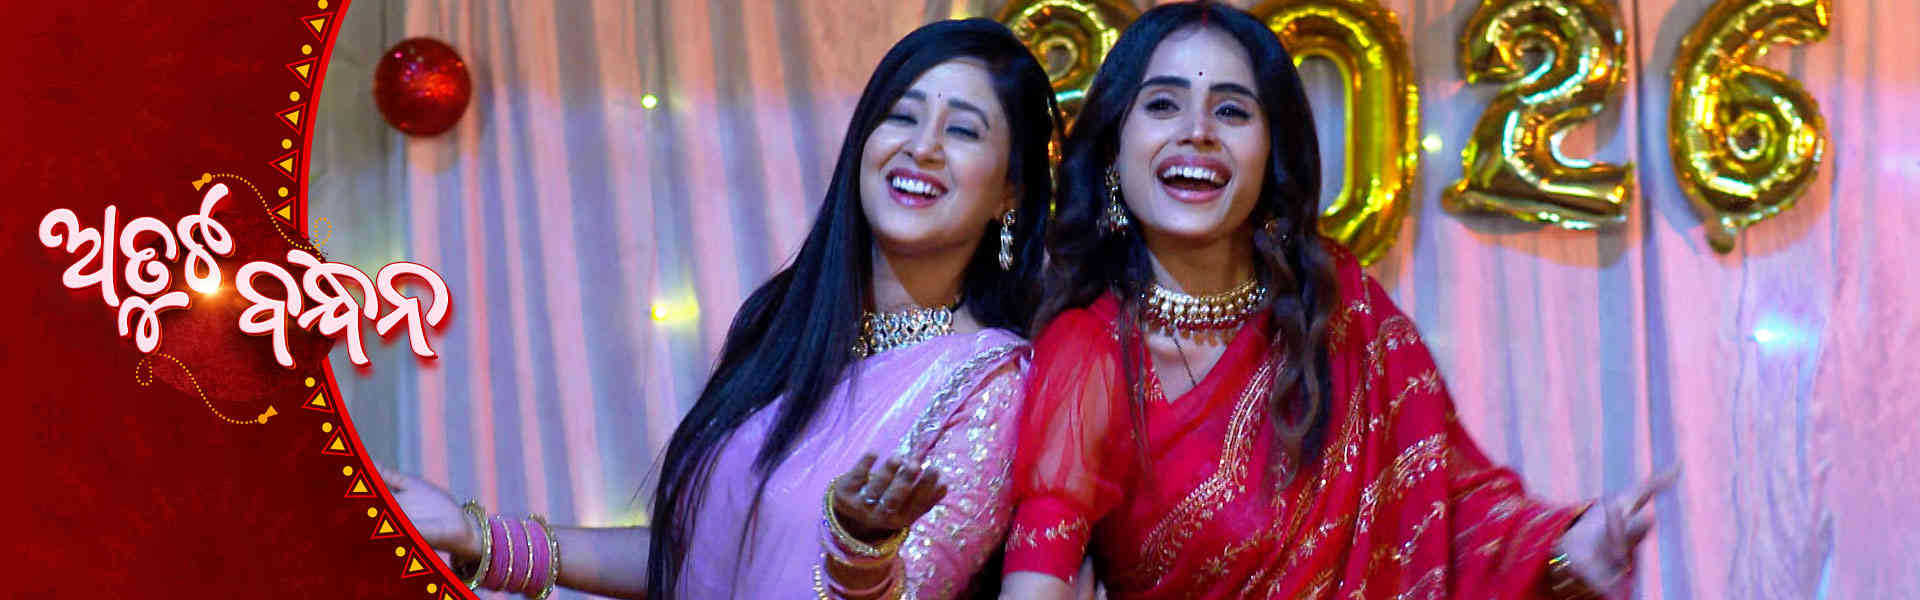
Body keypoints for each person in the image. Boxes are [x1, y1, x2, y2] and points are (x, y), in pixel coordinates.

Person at [996, 3, 1676, 599]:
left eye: (1232, 110)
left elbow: (1447, 512)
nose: (1198, 131)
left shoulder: (1342, 312)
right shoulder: (1086, 351)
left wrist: (1565, 553)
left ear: (1271, 153)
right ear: (1113, 150)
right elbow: (1039, 570)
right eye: (1163, 105)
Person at [382, 18, 1062, 599]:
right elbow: (687, 559)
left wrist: (863, 550)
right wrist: (476, 536)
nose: (923, 146)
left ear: (1010, 192)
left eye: (963, 131)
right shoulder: (793, 324)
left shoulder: (992, 384)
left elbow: (910, 589)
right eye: (902, 116)